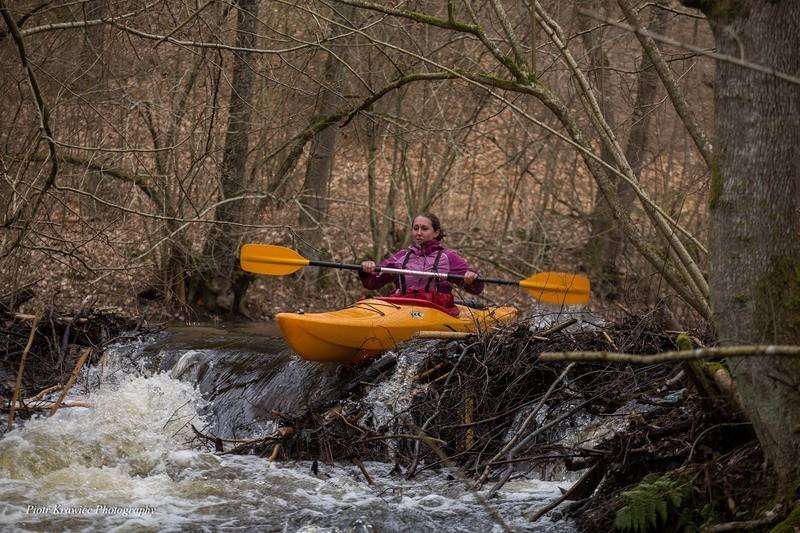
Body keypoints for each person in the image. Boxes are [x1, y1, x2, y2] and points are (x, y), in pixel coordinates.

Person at [359, 213, 483, 313]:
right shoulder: (402, 256)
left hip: (436, 309)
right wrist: (366, 271)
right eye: (416, 228)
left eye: (424, 229)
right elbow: (372, 283)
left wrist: (472, 277)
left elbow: (476, 288)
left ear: (436, 232)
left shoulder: (448, 257)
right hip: (401, 307)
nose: (418, 233)